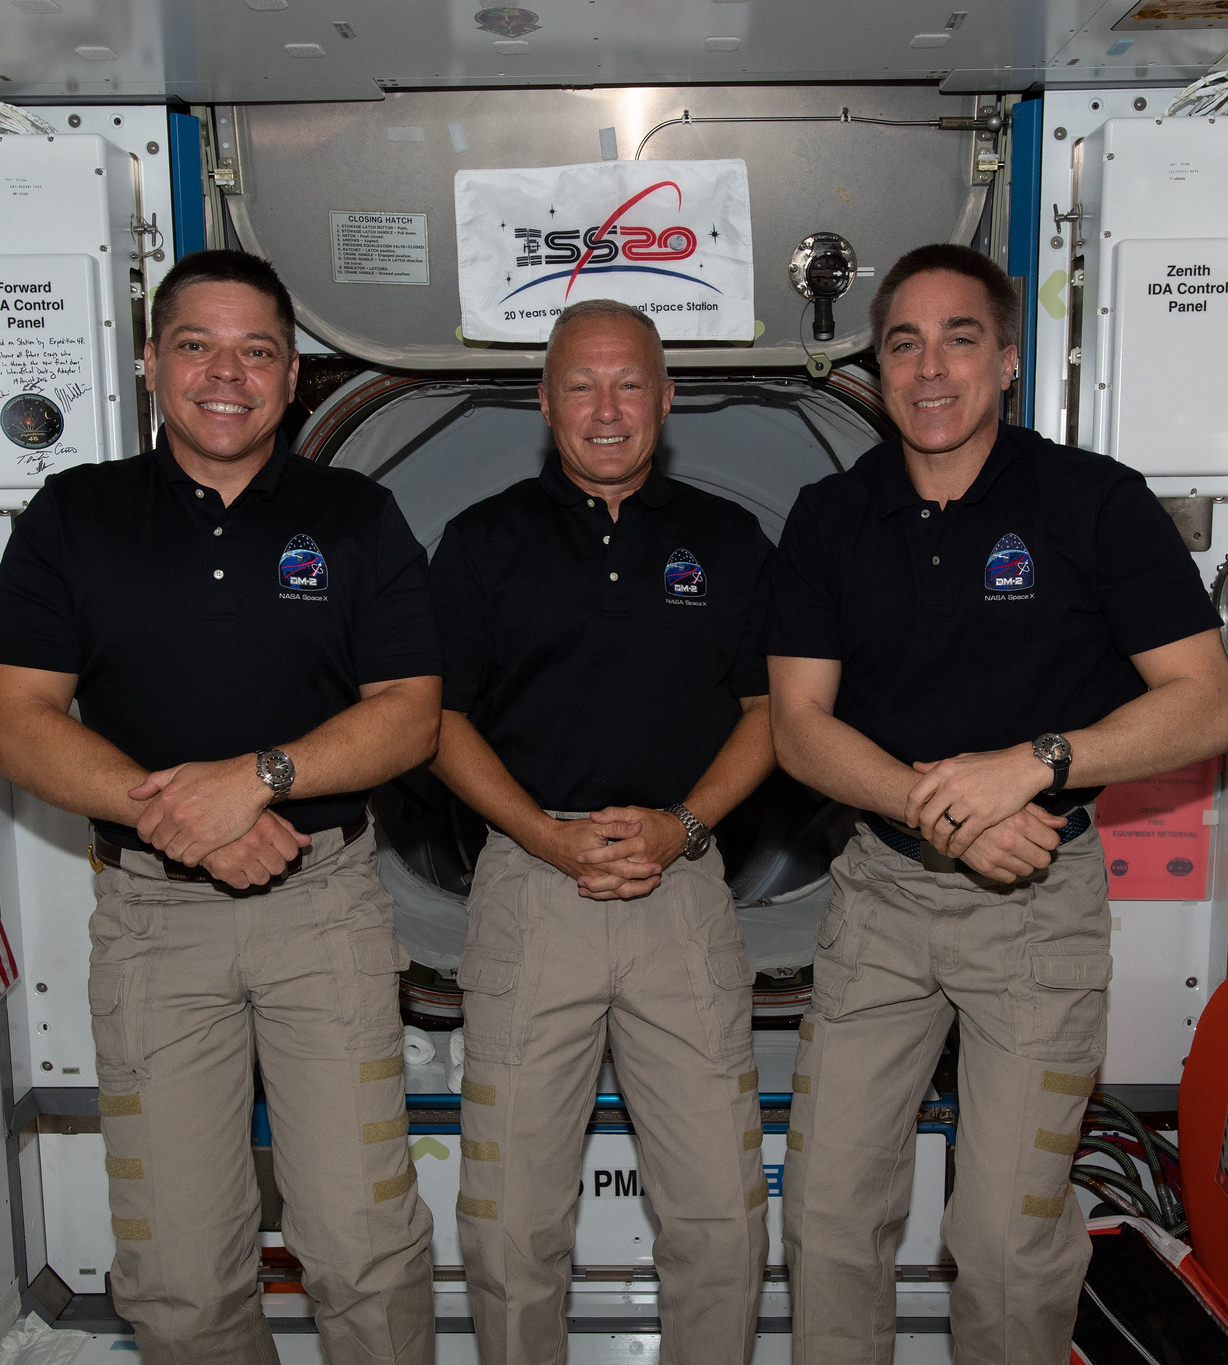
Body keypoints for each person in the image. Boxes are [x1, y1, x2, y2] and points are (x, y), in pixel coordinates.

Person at [766, 243, 1228, 1364]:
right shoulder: (829, 516)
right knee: (826, 1217)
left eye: (960, 338)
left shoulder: (1091, 503)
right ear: (877, 369)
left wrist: (1031, 765)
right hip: (879, 898)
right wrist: (946, 807)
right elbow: (797, 726)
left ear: (1009, 360)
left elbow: (1204, 706)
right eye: (902, 343)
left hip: (1038, 903)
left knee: (1002, 1241)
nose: (931, 368)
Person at [0, 249, 439, 1365]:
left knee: (363, 1248)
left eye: (257, 352)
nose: (224, 373)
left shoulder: (356, 515)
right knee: (178, 1276)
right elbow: (15, 719)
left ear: (290, 378)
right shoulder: (73, 516)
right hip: (153, 922)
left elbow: (410, 714)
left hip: (322, 912)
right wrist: (179, 819)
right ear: (149, 363)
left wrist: (255, 781)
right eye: (196, 344)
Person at [428, 298, 777, 1364]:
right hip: (534, 890)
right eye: (580, 384)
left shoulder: (725, 540)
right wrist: (543, 834)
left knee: (719, 1212)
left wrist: (682, 826)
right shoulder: (482, 542)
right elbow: (433, 722)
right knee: (511, 1216)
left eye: (629, 383)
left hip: (681, 887)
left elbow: (771, 716)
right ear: (545, 404)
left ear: (666, 400)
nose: (606, 408)